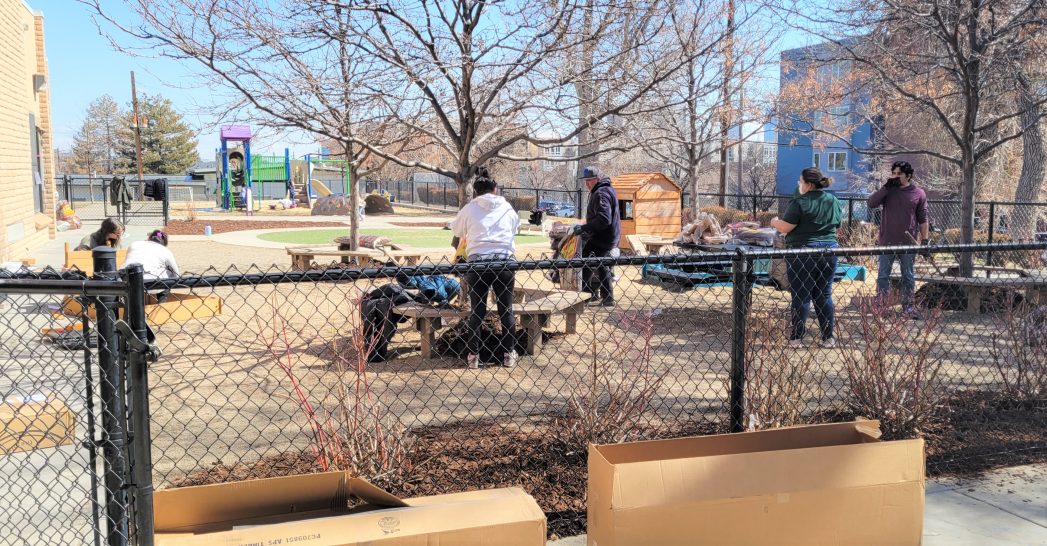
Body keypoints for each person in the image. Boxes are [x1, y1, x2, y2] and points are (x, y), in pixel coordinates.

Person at [451, 167, 521, 369]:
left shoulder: (469, 208)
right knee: (506, 309)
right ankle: (509, 354)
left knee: (477, 310)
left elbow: (457, 230)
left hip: (478, 263)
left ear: (476, 191)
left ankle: (473, 355)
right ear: (495, 189)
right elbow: (515, 228)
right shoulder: (507, 208)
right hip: (504, 261)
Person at [771, 167, 842, 348]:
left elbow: (785, 227)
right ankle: (828, 338)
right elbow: (837, 226)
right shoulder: (833, 200)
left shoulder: (800, 203)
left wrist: (773, 221)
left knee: (801, 296)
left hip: (802, 253)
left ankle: (796, 338)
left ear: (808, 184)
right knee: (824, 295)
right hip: (829, 252)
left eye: (801, 182)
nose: (799, 185)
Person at [866, 160, 929, 317]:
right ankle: (881, 307)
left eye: (899, 174)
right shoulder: (888, 191)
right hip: (886, 241)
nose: (895, 176)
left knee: (908, 276)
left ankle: (908, 307)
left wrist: (925, 240)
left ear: (908, 176)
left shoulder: (918, 193)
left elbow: (923, 219)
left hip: (908, 243)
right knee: (883, 276)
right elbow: (871, 203)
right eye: (893, 173)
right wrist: (886, 188)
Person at [572, 166, 621, 306]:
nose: (587, 184)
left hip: (603, 237)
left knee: (587, 261)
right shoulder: (606, 189)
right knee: (602, 264)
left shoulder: (601, 193)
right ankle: (602, 296)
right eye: (585, 181)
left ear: (597, 179)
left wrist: (585, 228)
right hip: (608, 235)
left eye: (590, 180)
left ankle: (588, 295)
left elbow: (604, 219)